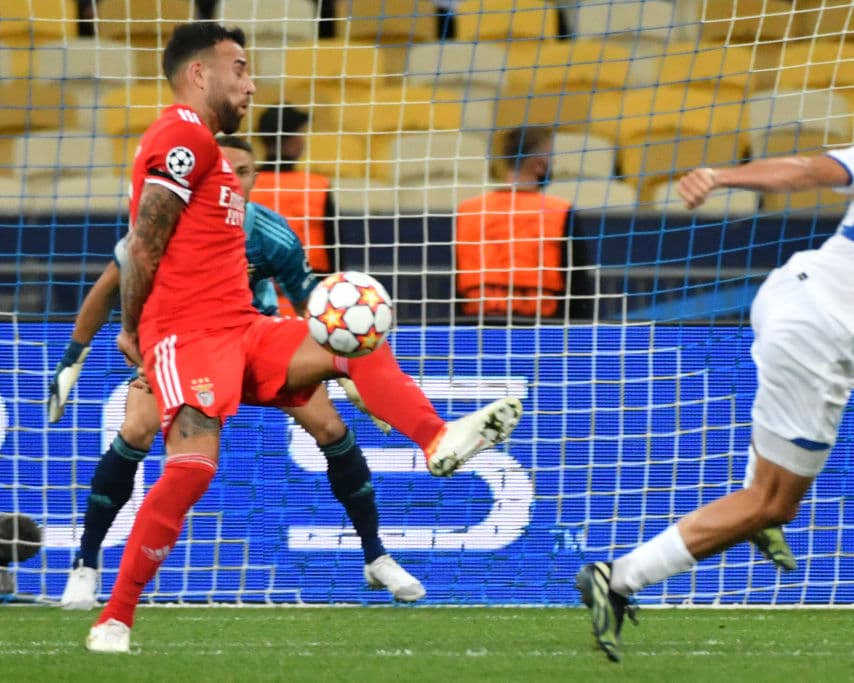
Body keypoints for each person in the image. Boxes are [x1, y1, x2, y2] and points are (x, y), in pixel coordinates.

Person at [81, 22, 520, 653]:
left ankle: (436, 438)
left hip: (244, 329)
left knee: (351, 338)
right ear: (200, 73)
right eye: (240, 68)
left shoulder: (211, 152)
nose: (251, 84)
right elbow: (145, 240)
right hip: (189, 337)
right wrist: (131, 328)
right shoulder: (179, 135)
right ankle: (114, 617)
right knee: (192, 470)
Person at [575, 86, 854, 662]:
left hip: (786, 292)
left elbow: (806, 171)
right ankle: (619, 578)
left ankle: (756, 507)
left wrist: (721, 177)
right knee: (773, 502)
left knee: (783, 465)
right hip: (820, 339)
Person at [51, 135, 432, 611]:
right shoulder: (174, 224)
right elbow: (109, 287)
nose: (233, 178)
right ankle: (85, 565)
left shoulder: (272, 233)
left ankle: (376, 557)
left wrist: (353, 373)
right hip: (188, 350)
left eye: (244, 170)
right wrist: (73, 359)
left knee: (331, 428)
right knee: (135, 429)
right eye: (224, 169)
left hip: (256, 343)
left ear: (255, 176)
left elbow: (317, 308)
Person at [454, 125, 595, 323]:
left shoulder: (469, 210)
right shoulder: (560, 212)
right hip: (543, 330)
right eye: (550, 157)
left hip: (478, 328)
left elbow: (458, 284)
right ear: (539, 164)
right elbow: (579, 289)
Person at [250, 104, 338, 277]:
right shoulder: (317, 186)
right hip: (310, 292)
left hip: (257, 293)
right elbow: (335, 251)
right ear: (294, 140)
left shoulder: (246, 184)